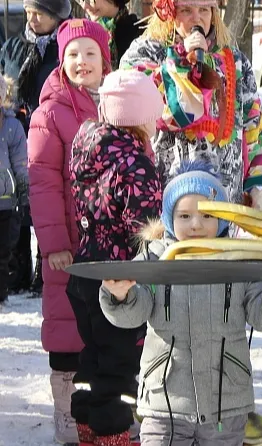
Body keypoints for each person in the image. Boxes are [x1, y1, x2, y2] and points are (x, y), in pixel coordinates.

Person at [98, 162, 262, 446]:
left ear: (222, 217)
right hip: (164, 403)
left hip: (225, 403)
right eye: (185, 215)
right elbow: (135, 310)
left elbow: (261, 314)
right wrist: (120, 295)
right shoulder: (155, 259)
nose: (196, 224)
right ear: (170, 218)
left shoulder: (239, 260)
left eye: (207, 214)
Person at [68, 69, 164, 446]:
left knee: (91, 355)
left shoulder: (88, 148)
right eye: (152, 116)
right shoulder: (136, 164)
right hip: (117, 276)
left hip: (85, 268)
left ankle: (87, 426)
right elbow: (143, 226)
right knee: (119, 363)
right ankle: (113, 434)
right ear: (138, 118)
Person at [28, 18, 112, 445]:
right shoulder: (50, 113)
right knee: (67, 332)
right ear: (61, 63)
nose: (82, 62)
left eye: (90, 54)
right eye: (73, 55)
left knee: (110, 332)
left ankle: (104, 414)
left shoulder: (117, 105)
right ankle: (67, 413)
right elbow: (42, 183)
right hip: (68, 249)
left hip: (110, 247)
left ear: (105, 60)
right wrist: (55, 245)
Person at [121, 0, 262, 212]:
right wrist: (182, 62)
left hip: (222, 209)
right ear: (170, 13)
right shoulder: (145, 54)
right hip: (166, 206)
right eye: (186, 10)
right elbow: (143, 110)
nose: (197, 19)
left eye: (204, 10)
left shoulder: (235, 61)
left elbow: (255, 126)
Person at [0, 0, 71, 298]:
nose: (33, 19)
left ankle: (46, 271)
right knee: (15, 205)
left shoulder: (64, 47)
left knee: (45, 202)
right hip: (16, 132)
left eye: (40, 13)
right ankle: (16, 271)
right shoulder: (13, 48)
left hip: (51, 133)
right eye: (29, 12)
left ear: (56, 15)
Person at [0, 75, 28, 305]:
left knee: (3, 252)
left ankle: (1, 293)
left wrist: (24, 188)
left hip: (6, 201)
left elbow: (20, 162)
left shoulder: (11, 126)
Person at [79, 0, 144, 69]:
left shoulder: (141, 35)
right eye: (81, 0)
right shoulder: (84, 34)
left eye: (90, 0)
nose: (84, 6)